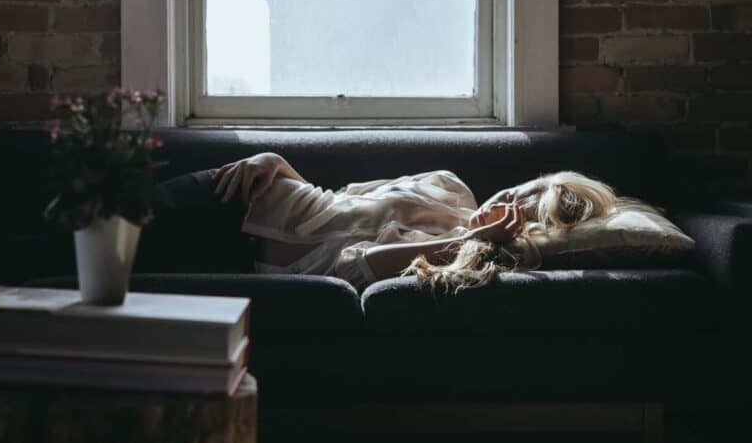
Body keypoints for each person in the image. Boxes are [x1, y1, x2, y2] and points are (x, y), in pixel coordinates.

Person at [212, 153, 618, 293]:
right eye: (511, 193)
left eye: (516, 214)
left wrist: (474, 239)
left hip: (233, 262)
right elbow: (340, 198)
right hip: (241, 193)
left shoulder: (468, 255)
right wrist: (275, 162)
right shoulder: (448, 185)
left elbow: (357, 264)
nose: (500, 205)